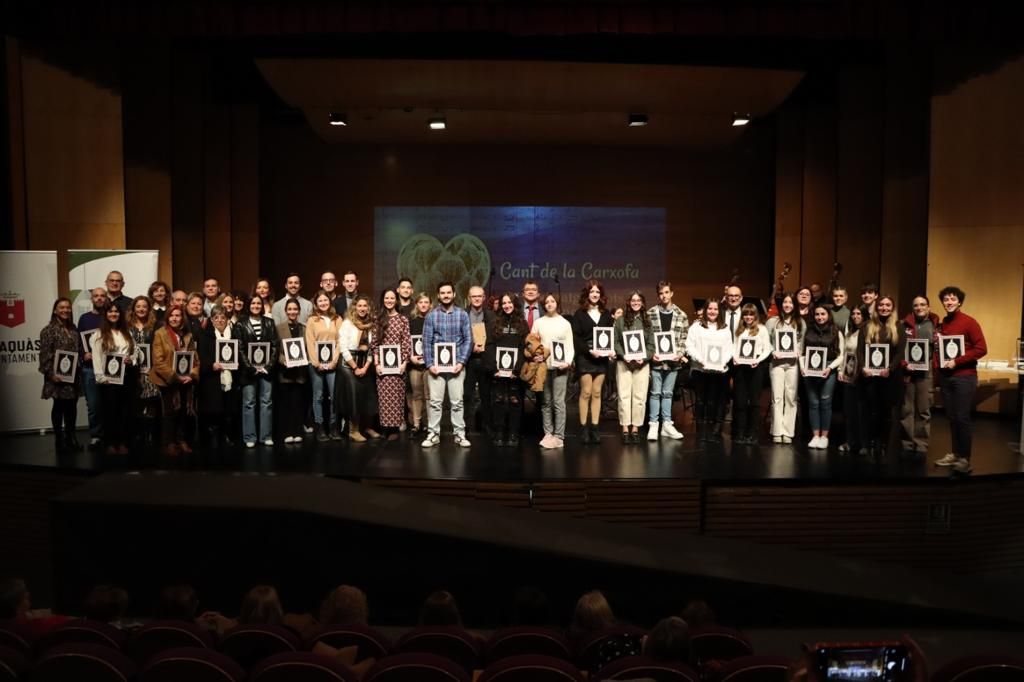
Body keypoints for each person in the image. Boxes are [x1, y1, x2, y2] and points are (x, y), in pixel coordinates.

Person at [933, 286, 987, 474]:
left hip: (964, 377)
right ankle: (956, 454)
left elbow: (981, 349)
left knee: (962, 417)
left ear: (960, 302)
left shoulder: (970, 322)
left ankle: (965, 458)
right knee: (952, 417)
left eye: (953, 299)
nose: (949, 302)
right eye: (946, 299)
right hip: (947, 377)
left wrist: (957, 361)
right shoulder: (943, 324)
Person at [421, 282, 473, 448]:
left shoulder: (462, 315)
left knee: (457, 402)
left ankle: (459, 434)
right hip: (436, 367)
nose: (445, 295)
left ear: (454, 294)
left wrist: (461, 361)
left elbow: (469, 340)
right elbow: (426, 342)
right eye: (442, 293)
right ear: (438, 295)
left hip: (456, 366)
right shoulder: (431, 316)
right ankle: (433, 434)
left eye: (448, 292)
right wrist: (429, 364)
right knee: (435, 403)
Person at [149, 304, 199, 455]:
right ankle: (169, 443)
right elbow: (158, 361)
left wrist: (192, 375)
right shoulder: (160, 334)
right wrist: (175, 377)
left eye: (178, 315)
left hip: (185, 381)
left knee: (184, 412)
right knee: (169, 413)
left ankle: (181, 440)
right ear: (167, 317)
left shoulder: (187, 335)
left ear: (182, 318)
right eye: (172, 315)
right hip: (167, 381)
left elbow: (195, 359)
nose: (174, 318)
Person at [858, 295, 905, 455]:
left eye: (888, 305)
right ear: (877, 307)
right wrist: (864, 366)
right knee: (872, 411)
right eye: (881, 305)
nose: (884, 308)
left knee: (887, 413)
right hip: (870, 377)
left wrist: (890, 369)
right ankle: (871, 443)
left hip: (890, 377)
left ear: (892, 308)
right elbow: (860, 350)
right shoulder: (866, 326)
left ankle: (884, 444)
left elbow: (900, 352)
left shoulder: (899, 327)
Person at [571, 280, 615, 445]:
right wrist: (589, 351)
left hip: (601, 359)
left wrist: (610, 351)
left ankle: (595, 427)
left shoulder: (606, 314)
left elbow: (609, 335)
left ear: (601, 295)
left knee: (597, 393)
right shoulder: (579, 314)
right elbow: (575, 338)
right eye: (592, 292)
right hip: (585, 356)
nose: (595, 294)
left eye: (597, 292)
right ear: (587, 295)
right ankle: (584, 428)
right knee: (586, 392)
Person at [686, 298, 734, 443]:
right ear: (706, 310)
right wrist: (701, 359)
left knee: (715, 400)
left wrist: (722, 361)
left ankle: (715, 431)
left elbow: (729, 348)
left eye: (715, 309)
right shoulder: (696, 327)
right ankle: (701, 431)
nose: (712, 311)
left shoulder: (725, 328)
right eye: (710, 309)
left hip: (719, 371)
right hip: (700, 369)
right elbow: (689, 346)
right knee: (701, 400)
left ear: (719, 311)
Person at [91, 302, 136, 455]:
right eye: (110, 312)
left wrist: (132, 359)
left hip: (126, 378)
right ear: (105, 314)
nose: (114, 314)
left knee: (124, 412)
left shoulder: (126, 333)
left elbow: (136, 352)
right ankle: (110, 443)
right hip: (108, 381)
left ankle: (122, 442)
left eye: (116, 312)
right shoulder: (98, 335)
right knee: (110, 413)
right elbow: (96, 358)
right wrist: (101, 378)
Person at [39, 297, 82, 453]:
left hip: (72, 377)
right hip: (56, 377)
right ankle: (59, 439)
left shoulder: (73, 329)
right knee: (59, 407)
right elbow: (44, 355)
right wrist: (51, 374)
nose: (65, 310)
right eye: (61, 307)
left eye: (68, 307)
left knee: (72, 407)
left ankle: (71, 437)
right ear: (55, 310)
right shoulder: (48, 330)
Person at [647, 281, 689, 441]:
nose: (663, 296)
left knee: (668, 393)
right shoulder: (651, 313)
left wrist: (679, 353)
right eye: (661, 293)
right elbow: (647, 337)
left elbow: (684, 338)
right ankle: (653, 424)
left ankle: (667, 425)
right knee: (655, 393)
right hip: (657, 360)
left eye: (666, 292)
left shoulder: (681, 315)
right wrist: (651, 354)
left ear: (671, 293)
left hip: (673, 362)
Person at [235, 294, 278, 448]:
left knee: (266, 402)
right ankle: (249, 437)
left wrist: (267, 367)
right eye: (253, 303)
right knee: (249, 403)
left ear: (262, 306)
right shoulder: (240, 324)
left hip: (267, 371)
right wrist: (251, 368)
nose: (256, 306)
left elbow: (274, 346)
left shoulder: (269, 322)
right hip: (248, 371)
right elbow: (239, 349)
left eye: (258, 303)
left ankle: (266, 436)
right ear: (249, 305)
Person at [485, 293, 528, 446]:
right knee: (498, 401)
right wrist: (494, 368)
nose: (507, 305)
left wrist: (516, 370)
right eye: (504, 303)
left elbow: (524, 348)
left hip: (515, 372)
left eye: (510, 302)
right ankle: (499, 432)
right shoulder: (494, 322)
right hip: (497, 371)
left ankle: (513, 433)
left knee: (515, 401)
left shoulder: (522, 324)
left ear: (515, 304)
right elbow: (489, 345)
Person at [533, 292, 574, 449]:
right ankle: (548, 433)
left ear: (557, 303)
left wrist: (568, 362)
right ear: (544, 305)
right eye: (547, 302)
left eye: (552, 301)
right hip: (543, 367)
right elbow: (533, 343)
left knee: (558, 402)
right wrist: (536, 356)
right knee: (545, 402)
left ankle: (559, 436)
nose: (550, 304)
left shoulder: (565, 323)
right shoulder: (538, 323)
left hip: (560, 368)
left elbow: (569, 347)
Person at [799, 304, 844, 449]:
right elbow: (801, 353)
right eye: (817, 314)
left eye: (823, 314)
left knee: (825, 402)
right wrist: (802, 368)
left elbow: (841, 355)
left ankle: (824, 437)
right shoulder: (808, 330)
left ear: (828, 315)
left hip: (828, 369)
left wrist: (830, 368)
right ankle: (815, 436)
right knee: (813, 403)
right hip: (809, 370)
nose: (820, 317)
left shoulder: (835, 331)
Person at [899, 296, 939, 456]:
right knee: (906, 409)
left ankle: (921, 443)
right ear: (912, 308)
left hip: (926, 370)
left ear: (929, 307)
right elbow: (899, 348)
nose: (919, 307)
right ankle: (907, 442)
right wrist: (903, 364)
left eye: (923, 304)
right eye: (916, 305)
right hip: (908, 370)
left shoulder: (936, 325)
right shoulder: (904, 325)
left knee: (924, 408)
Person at [338, 294, 379, 441]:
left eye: (365, 306)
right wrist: (355, 367)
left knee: (368, 396)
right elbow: (342, 347)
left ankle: (366, 427)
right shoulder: (347, 323)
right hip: (349, 365)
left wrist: (366, 366)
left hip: (364, 364)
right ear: (355, 307)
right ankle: (353, 430)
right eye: (359, 305)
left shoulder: (371, 325)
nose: (362, 308)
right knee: (354, 397)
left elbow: (372, 348)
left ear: (369, 308)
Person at [614, 291, 653, 444]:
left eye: (638, 300)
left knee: (639, 397)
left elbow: (651, 344)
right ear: (629, 302)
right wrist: (624, 355)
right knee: (624, 396)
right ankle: (625, 428)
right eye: (633, 300)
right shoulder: (621, 321)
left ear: (642, 303)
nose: (635, 302)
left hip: (641, 364)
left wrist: (643, 358)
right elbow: (616, 341)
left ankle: (635, 428)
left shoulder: (647, 321)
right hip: (624, 363)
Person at [371, 288, 411, 440]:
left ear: (396, 300)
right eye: (386, 298)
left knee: (396, 397)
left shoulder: (403, 320)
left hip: (398, 366)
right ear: (383, 300)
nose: (389, 300)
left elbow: (406, 343)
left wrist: (403, 364)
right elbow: (374, 344)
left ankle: (394, 428)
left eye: (392, 298)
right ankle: (384, 428)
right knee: (383, 398)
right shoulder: (377, 319)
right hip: (382, 366)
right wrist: (377, 364)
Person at [767, 293, 805, 444]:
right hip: (776, 364)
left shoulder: (800, 322)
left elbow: (803, 341)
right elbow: (766, 341)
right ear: (781, 304)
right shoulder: (772, 322)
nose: (788, 305)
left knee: (791, 397)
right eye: (785, 302)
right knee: (777, 397)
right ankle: (777, 430)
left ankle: (788, 431)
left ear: (795, 305)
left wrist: (799, 351)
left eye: (791, 302)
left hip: (793, 364)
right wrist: (772, 351)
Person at [306, 290, 343, 441]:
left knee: (334, 396)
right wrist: (316, 363)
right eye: (320, 301)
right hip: (316, 365)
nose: (323, 303)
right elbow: (310, 342)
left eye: (325, 300)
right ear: (316, 304)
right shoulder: (312, 320)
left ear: (330, 302)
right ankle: (320, 427)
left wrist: (334, 361)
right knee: (318, 396)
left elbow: (340, 342)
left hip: (333, 364)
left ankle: (334, 427)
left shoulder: (337, 319)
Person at [732, 303, 771, 445]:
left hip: (756, 368)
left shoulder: (762, 329)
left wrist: (758, 360)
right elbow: (734, 347)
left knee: (754, 402)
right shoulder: (740, 329)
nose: (748, 317)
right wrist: (735, 357)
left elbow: (767, 349)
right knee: (741, 401)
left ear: (756, 315)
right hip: (741, 368)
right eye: (746, 314)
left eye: (751, 314)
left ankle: (753, 434)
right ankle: (740, 433)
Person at [198, 304, 237, 447]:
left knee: (229, 410)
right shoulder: (205, 336)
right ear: (212, 320)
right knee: (213, 411)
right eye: (216, 318)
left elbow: (238, 353)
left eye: (223, 317)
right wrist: (211, 365)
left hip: (231, 378)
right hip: (212, 378)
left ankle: (227, 435)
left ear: (227, 319)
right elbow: (201, 356)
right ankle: (213, 437)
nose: (220, 320)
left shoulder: (234, 335)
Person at [128, 295, 161, 448]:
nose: (141, 309)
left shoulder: (156, 326)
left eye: (144, 307)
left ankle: (152, 436)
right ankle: (138, 435)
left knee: (152, 403)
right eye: (138, 306)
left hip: (151, 371)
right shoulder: (127, 327)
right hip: (132, 373)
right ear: (134, 309)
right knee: (135, 404)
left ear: (149, 309)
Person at [78, 287, 107, 449]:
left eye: (102, 296)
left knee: (110, 403)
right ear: (92, 299)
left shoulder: (112, 317)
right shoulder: (84, 319)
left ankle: (110, 435)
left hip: (110, 369)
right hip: (89, 369)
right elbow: (79, 342)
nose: (99, 298)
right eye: (96, 296)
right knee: (94, 405)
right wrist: (84, 354)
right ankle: (96, 436)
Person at [464, 285, 495, 435]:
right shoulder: (462, 315)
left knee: (486, 395)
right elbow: (459, 338)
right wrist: (471, 346)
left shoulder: (492, 316)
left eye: (479, 296)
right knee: (466, 395)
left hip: (485, 359)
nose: (476, 299)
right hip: (468, 360)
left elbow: (495, 338)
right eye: (473, 296)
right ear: (469, 298)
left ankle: (487, 425)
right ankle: (465, 426)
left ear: (483, 298)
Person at [276, 299, 308, 444]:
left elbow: (307, 348)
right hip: (285, 372)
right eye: (290, 309)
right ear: (285, 311)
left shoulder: (304, 328)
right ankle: (287, 432)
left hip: (300, 372)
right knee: (285, 404)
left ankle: (297, 431)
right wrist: (284, 360)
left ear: (299, 311)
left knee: (298, 403)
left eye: (295, 309)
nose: (292, 312)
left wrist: (304, 358)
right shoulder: (279, 328)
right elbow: (275, 350)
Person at [837, 305, 868, 454]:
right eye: (854, 313)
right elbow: (844, 354)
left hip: (861, 377)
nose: (856, 316)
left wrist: (858, 374)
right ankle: (850, 441)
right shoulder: (849, 333)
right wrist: (841, 371)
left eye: (859, 314)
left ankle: (864, 444)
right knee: (849, 411)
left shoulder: (867, 332)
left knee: (862, 412)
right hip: (848, 375)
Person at [406, 293, 432, 436]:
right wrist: (411, 357)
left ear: (430, 304)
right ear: (416, 304)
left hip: (429, 364)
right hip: (414, 364)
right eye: (420, 302)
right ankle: (416, 425)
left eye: (426, 302)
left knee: (429, 395)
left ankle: (429, 425)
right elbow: (406, 341)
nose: (423, 305)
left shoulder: (433, 320)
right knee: (416, 395)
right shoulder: (411, 321)